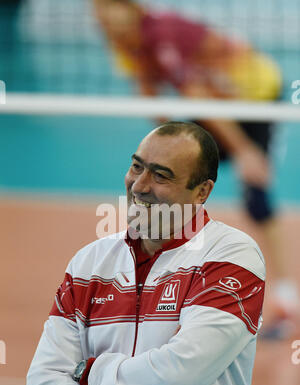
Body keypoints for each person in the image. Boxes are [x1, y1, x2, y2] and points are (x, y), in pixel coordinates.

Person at [25, 121, 266, 385]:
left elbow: (179, 374)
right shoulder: (88, 264)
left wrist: (92, 371)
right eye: (136, 166)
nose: (139, 185)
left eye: (160, 175)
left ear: (202, 192)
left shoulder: (230, 257)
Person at [93, 0, 299, 338]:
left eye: (109, 9)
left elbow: (196, 92)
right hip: (213, 102)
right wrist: (164, 152)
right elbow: (149, 90)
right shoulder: (124, 44)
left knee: (257, 198)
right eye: (97, 13)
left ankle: (286, 303)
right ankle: (162, 287)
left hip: (256, 97)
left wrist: (246, 152)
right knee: (166, 185)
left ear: (130, 8)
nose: (104, 19)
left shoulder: (161, 33)